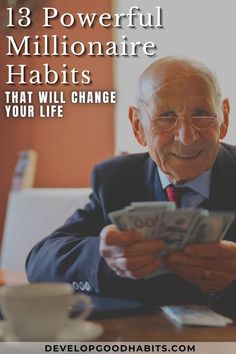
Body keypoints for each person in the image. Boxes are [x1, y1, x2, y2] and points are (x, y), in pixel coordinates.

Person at [26, 56, 236, 311]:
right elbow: (40, 262)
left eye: (201, 114)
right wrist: (107, 260)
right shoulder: (117, 179)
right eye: (166, 116)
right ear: (138, 126)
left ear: (223, 117)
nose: (186, 136)